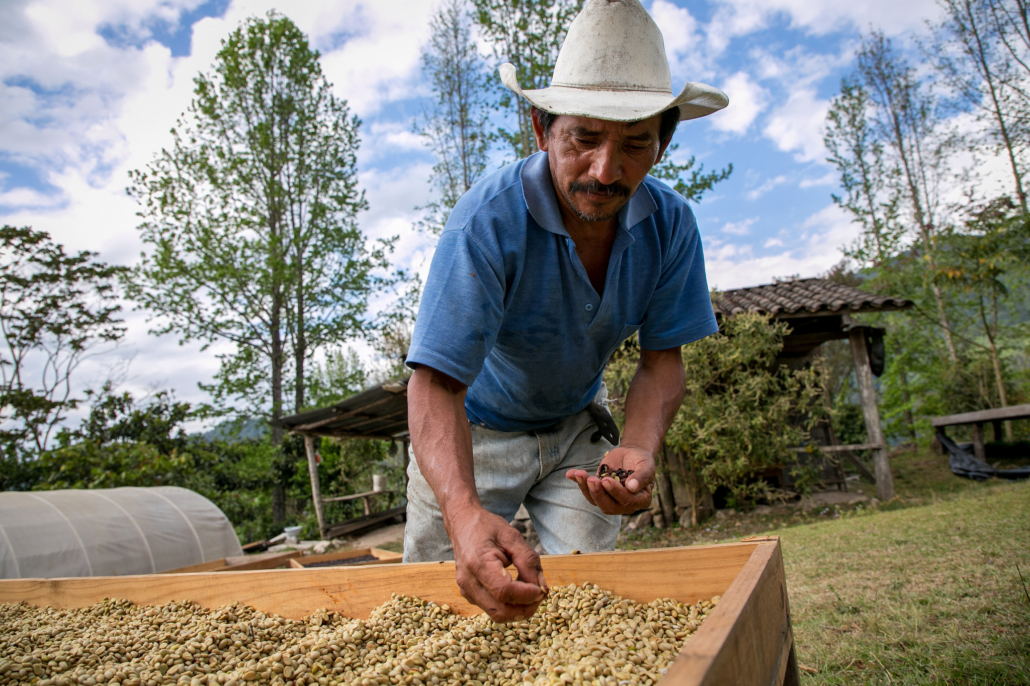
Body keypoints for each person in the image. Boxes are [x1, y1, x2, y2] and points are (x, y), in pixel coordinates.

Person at [403, 0, 728, 623]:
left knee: (583, 604)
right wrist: (464, 510)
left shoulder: (673, 225)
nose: (605, 171)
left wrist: (638, 444)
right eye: (582, 138)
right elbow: (435, 381)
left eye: (635, 144)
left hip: (579, 431)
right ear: (542, 129)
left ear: (663, 144)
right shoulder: (487, 220)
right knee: (441, 604)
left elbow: (663, 361)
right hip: (476, 432)